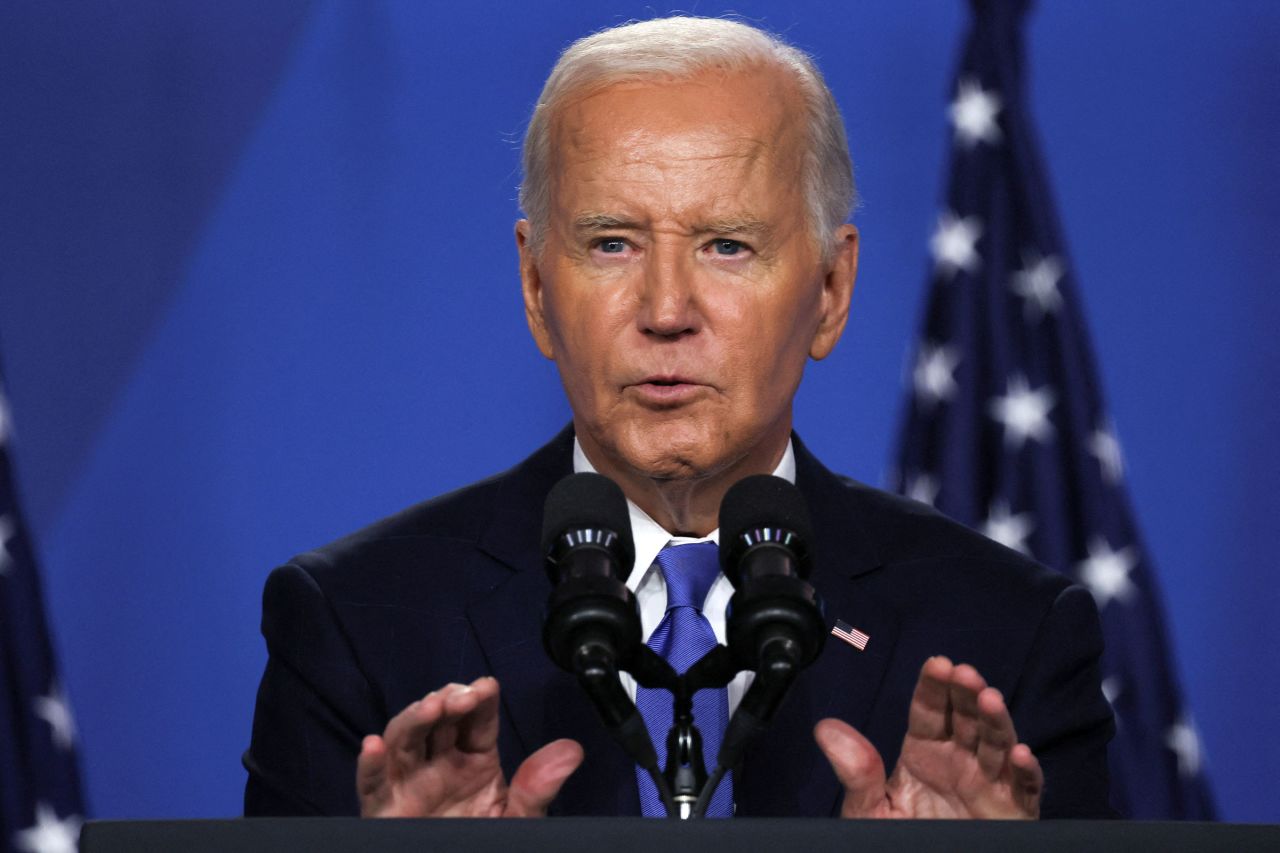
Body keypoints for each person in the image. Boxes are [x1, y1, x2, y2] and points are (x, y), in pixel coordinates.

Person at [243, 16, 1114, 820]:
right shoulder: (356, 627)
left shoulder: (1012, 637)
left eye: (726, 245)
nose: (666, 308)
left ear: (831, 291)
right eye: (611, 243)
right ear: (538, 288)